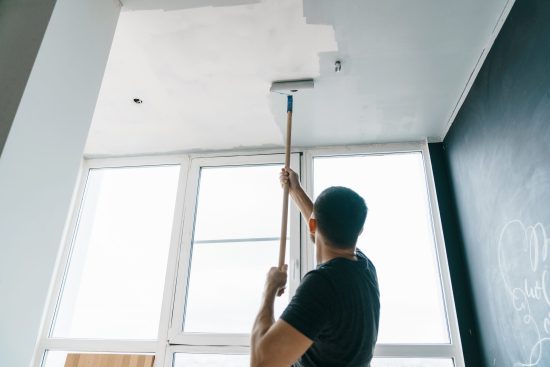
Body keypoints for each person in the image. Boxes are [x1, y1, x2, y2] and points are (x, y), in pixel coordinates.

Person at [250, 168, 380, 367]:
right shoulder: (365, 267)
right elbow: (323, 229)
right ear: (360, 230)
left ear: (313, 225)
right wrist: (296, 190)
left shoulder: (323, 285)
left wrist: (269, 289)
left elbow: (261, 363)